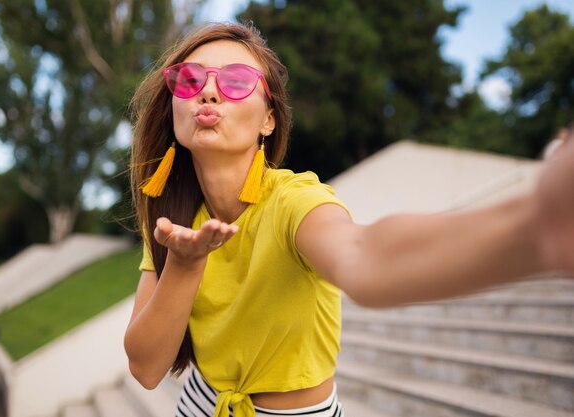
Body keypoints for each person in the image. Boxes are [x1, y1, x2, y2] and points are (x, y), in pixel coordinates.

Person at [123, 22, 574, 417]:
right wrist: (183, 265)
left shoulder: (294, 201)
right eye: (190, 79)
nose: (209, 90)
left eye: (238, 80)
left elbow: (365, 256)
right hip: (201, 402)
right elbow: (145, 368)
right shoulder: (171, 219)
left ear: (269, 120)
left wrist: (536, 227)